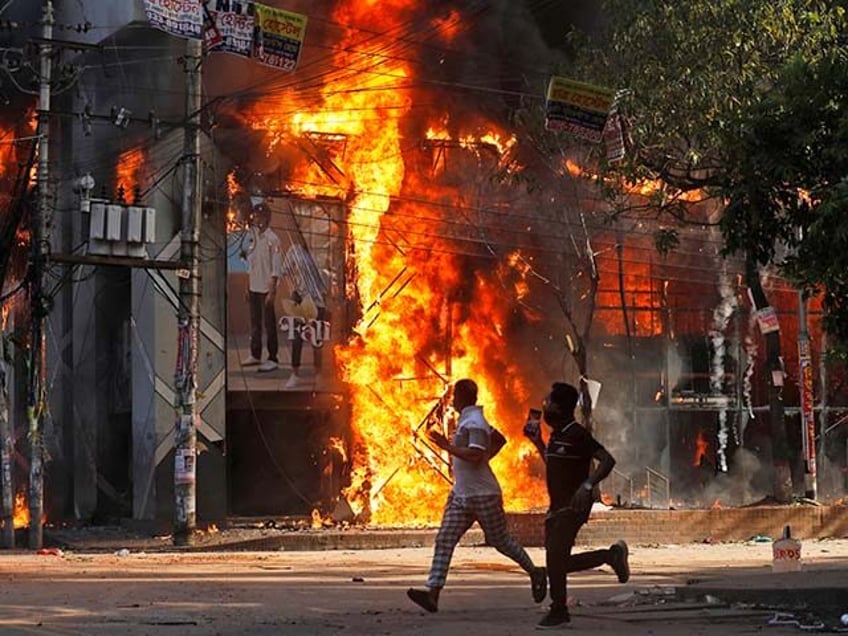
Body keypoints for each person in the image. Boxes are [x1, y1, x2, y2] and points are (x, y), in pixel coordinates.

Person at [407, 378, 547, 613]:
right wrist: (485, 458)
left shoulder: (475, 422)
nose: (452, 401)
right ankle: (432, 593)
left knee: (501, 541)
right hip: (461, 494)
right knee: (444, 539)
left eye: (454, 397)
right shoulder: (470, 419)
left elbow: (473, 455)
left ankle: (535, 571)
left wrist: (446, 446)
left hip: (483, 495)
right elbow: (499, 440)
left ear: (461, 398)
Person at [524, 381, 630, 629]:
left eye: (549, 402)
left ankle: (559, 609)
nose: (545, 405)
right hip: (557, 506)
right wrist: (538, 443)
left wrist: (587, 486)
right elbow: (556, 466)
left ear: (560, 408)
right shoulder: (558, 435)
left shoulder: (577, 434)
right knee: (557, 562)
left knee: (555, 559)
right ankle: (610, 556)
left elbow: (607, 460)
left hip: (573, 506)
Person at [279, 241, 328, 389]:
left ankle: (318, 374)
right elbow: (285, 271)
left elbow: (328, 273)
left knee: (317, 339)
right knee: (297, 338)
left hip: (318, 300)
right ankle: (295, 374)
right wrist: (293, 291)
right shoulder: (294, 249)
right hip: (300, 300)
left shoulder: (321, 248)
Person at [240, 202, 283, 373]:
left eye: (259, 216)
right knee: (255, 323)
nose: (256, 219)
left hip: (266, 289)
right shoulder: (254, 237)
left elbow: (276, 268)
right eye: (255, 216)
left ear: (266, 218)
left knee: (269, 324)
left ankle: (273, 358)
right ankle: (255, 354)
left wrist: (272, 292)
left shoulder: (273, 240)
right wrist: (246, 286)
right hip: (254, 287)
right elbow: (250, 265)